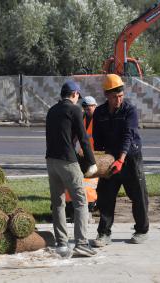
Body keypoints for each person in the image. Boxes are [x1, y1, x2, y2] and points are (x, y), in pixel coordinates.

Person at [90, 74, 149, 247]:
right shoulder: (99, 112)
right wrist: (99, 158)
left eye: (121, 96)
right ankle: (103, 233)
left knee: (138, 195)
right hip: (110, 158)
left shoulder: (129, 110)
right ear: (107, 95)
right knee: (106, 196)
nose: (118, 100)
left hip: (130, 157)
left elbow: (128, 136)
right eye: (115, 96)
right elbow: (97, 138)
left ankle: (141, 230)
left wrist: (121, 160)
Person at [46, 80, 98, 257]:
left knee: (58, 203)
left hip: (51, 161)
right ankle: (81, 243)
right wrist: (91, 162)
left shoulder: (52, 110)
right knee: (81, 201)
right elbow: (83, 138)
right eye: (78, 96)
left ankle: (61, 244)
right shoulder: (75, 109)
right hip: (68, 161)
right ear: (75, 94)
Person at [65, 96, 99, 221]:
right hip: (84, 154)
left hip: (96, 156)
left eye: (88, 107)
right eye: (84, 107)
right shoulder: (83, 118)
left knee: (91, 182)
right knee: (82, 181)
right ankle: (76, 208)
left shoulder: (99, 119)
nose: (86, 110)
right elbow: (76, 136)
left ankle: (90, 207)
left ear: (95, 106)